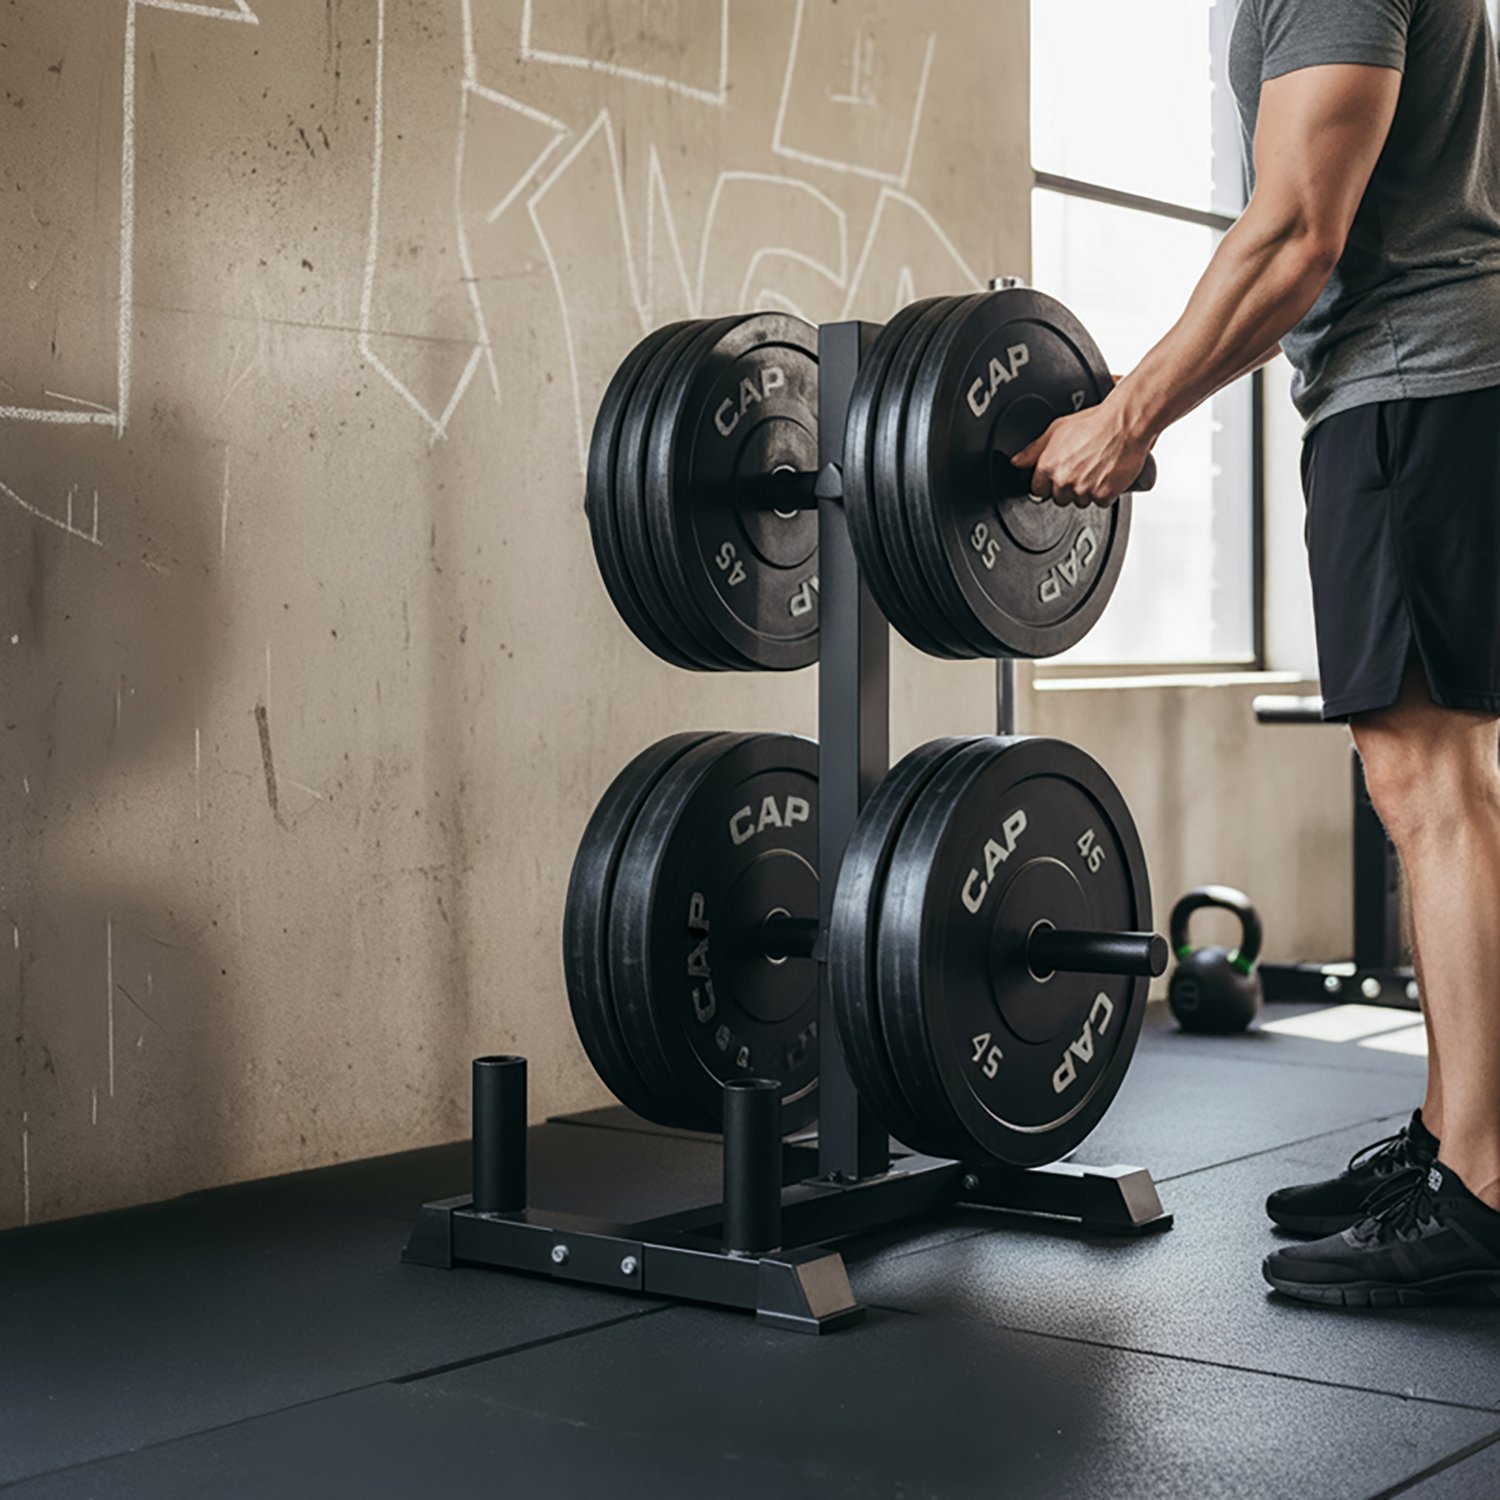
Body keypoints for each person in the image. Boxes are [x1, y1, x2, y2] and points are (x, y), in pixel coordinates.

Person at [1015, 0, 1500, 1306]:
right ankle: (1453, 1143)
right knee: (1434, 783)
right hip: (1430, 380)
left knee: (1432, 787)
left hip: (1417, 376)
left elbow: (1294, 226)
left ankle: (1487, 1189)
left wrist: (1128, 414)